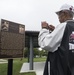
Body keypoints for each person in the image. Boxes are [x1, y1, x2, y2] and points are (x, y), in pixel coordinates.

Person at [38, 4, 74, 75]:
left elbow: (45, 44)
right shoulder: (68, 27)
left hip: (61, 70)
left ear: (64, 13)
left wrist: (44, 29)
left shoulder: (63, 26)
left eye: (59, 14)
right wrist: (55, 31)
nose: (58, 17)